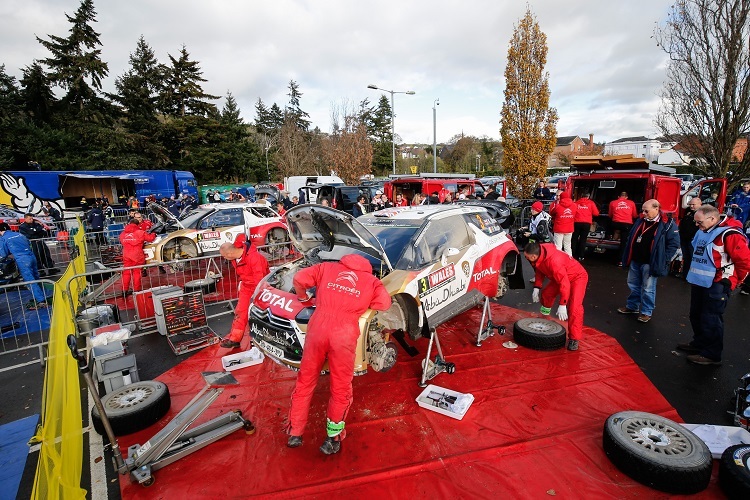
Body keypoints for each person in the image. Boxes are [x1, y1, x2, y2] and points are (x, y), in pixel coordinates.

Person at [286, 254, 391, 455]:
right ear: (367, 268)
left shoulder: (326, 267)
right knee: (341, 388)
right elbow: (384, 304)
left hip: (317, 329)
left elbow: (299, 278)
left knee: (305, 382)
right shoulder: (372, 281)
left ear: (344, 260)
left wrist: (303, 297)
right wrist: (362, 302)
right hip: (344, 334)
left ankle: (295, 433)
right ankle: (332, 439)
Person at [677, 205, 750, 365]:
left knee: (711, 318)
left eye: (699, 222)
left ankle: (711, 354)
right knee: (696, 314)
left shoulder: (730, 234)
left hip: (718, 282)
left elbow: (744, 261)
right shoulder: (704, 230)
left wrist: (738, 281)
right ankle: (700, 344)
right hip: (701, 281)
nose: (697, 225)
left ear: (712, 219)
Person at [616, 199, 680, 323]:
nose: (643, 213)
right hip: (636, 259)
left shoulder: (668, 223)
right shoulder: (641, 220)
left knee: (648, 288)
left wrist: (664, 259)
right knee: (633, 285)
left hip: (650, 262)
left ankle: (646, 312)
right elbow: (631, 237)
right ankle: (632, 306)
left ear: (657, 209)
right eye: (643, 210)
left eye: (646, 211)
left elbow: (674, 244)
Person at [525, 241, 588, 351]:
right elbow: (539, 269)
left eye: (527, 257)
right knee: (546, 295)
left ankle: (574, 339)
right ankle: (545, 318)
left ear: (534, 256)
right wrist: (537, 286)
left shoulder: (554, 262)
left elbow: (565, 284)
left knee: (574, 308)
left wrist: (563, 304)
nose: (526, 258)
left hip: (577, 277)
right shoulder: (539, 253)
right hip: (560, 276)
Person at [218, 233, 270, 349]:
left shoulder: (255, 258)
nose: (224, 259)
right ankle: (235, 339)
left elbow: (260, 279)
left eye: (224, 256)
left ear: (229, 253)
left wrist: (257, 295)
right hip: (247, 287)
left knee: (258, 315)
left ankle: (259, 340)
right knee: (240, 312)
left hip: (260, 289)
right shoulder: (236, 258)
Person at [0, 222, 49, 309]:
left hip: (22, 259)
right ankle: (42, 296)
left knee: (29, 280)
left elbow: (3, 253)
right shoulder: (19, 234)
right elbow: (28, 243)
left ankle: (41, 301)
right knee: (36, 277)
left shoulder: (4, 238)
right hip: (31, 256)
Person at [118, 218, 157, 295]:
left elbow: (122, 242)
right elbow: (150, 239)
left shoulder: (122, 234)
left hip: (126, 254)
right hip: (137, 254)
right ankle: (137, 290)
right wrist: (154, 234)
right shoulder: (140, 232)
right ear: (138, 225)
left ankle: (124, 290)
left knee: (126, 273)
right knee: (137, 272)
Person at [609, 191, 638, 266]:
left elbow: (610, 215)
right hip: (627, 225)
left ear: (619, 196)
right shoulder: (631, 203)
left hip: (615, 224)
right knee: (624, 243)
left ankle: (612, 239)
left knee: (615, 231)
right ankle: (620, 261)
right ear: (626, 197)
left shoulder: (613, 202)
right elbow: (634, 215)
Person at [677, 197, 702, 277]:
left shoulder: (702, 213)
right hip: (684, 238)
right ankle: (685, 275)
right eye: (690, 204)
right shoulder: (688, 211)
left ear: (699, 204)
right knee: (686, 257)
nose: (691, 206)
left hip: (693, 240)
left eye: (693, 204)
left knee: (693, 258)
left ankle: (693, 275)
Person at [572, 192, 599, 261]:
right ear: (588, 197)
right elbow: (596, 213)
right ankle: (581, 256)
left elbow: (572, 212)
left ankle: (572, 254)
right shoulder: (591, 203)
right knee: (583, 240)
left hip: (576, 222)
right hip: (586, 223)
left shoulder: (576, 203)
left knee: (574, 239)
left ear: (581, 196)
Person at [550, 191, 577, 256]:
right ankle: (570, 261)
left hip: (559, 228)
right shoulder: (574, 205)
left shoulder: (557, 206)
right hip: (569, 229)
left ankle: (558, 261)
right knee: (567, 246)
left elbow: (551, 213)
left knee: (558, 247)